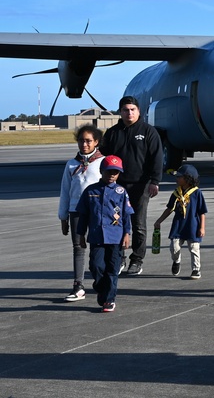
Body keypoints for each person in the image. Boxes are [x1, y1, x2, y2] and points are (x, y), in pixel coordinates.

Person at [100, 95, 163, 276]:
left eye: (132, 110)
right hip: (116, 186)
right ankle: (118, 258)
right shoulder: (112, 133)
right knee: (116, 222)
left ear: (138, 111)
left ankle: (137, 260)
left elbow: (157, 158)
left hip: (141, 185)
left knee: (138, 224)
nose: (129, 113)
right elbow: (101, 157)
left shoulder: (149, 131)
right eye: (126, 110)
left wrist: (155, 181)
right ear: (120, 112)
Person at [75, 155, 133, 313]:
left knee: (112, 269)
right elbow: (84, 215)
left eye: (116, 172)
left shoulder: (121, 192)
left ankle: (109, 299)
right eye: (109, 171)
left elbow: (127, 215)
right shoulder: (90, 191)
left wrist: (127, 234)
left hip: (116, 236)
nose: (112, 175)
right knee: (96, 266)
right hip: (97, 236)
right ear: (101, 171)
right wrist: (80, 235)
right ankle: (101, 287)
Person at [58, 125, 105, 302]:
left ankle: (101, 282)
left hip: (97, 211)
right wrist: (63, 216)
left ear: (96, 142)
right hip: (76, 211)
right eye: (81, 141)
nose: (84, 144)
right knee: (78, 248)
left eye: (88, 141)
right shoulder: (71, 164)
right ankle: (78, 286)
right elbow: (65, 190)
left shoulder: (103, 162)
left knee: (97, 248)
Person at [153, 164, 208, 280]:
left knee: (194, 248)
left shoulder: (197, 193)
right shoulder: (176, 193)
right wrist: (159, 221)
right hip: (178, 225)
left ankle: (196, 269)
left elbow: (202, 212)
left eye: (179, 177)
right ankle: (176, 261)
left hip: (192, 225)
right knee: (174, 247)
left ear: (188, 179)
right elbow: (169, 209)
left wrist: (202, 228)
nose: (177, 179)